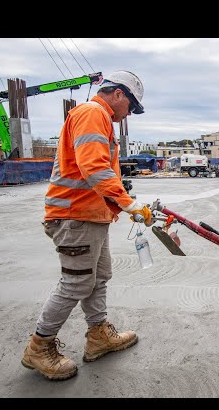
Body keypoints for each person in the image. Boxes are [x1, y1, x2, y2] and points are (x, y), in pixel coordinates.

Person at [21, 71, 153, 381]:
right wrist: (128, 204)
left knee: (99, 277)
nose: (128, 114)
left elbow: (98, 173)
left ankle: (98, 336)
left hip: (91, 217)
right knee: (76, 283)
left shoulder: (99, 117)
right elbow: (93, 168)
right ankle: (39, 347)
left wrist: (118, 207)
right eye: (131, 106)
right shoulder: (94, 113)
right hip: (75, 217)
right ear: (118, 94)